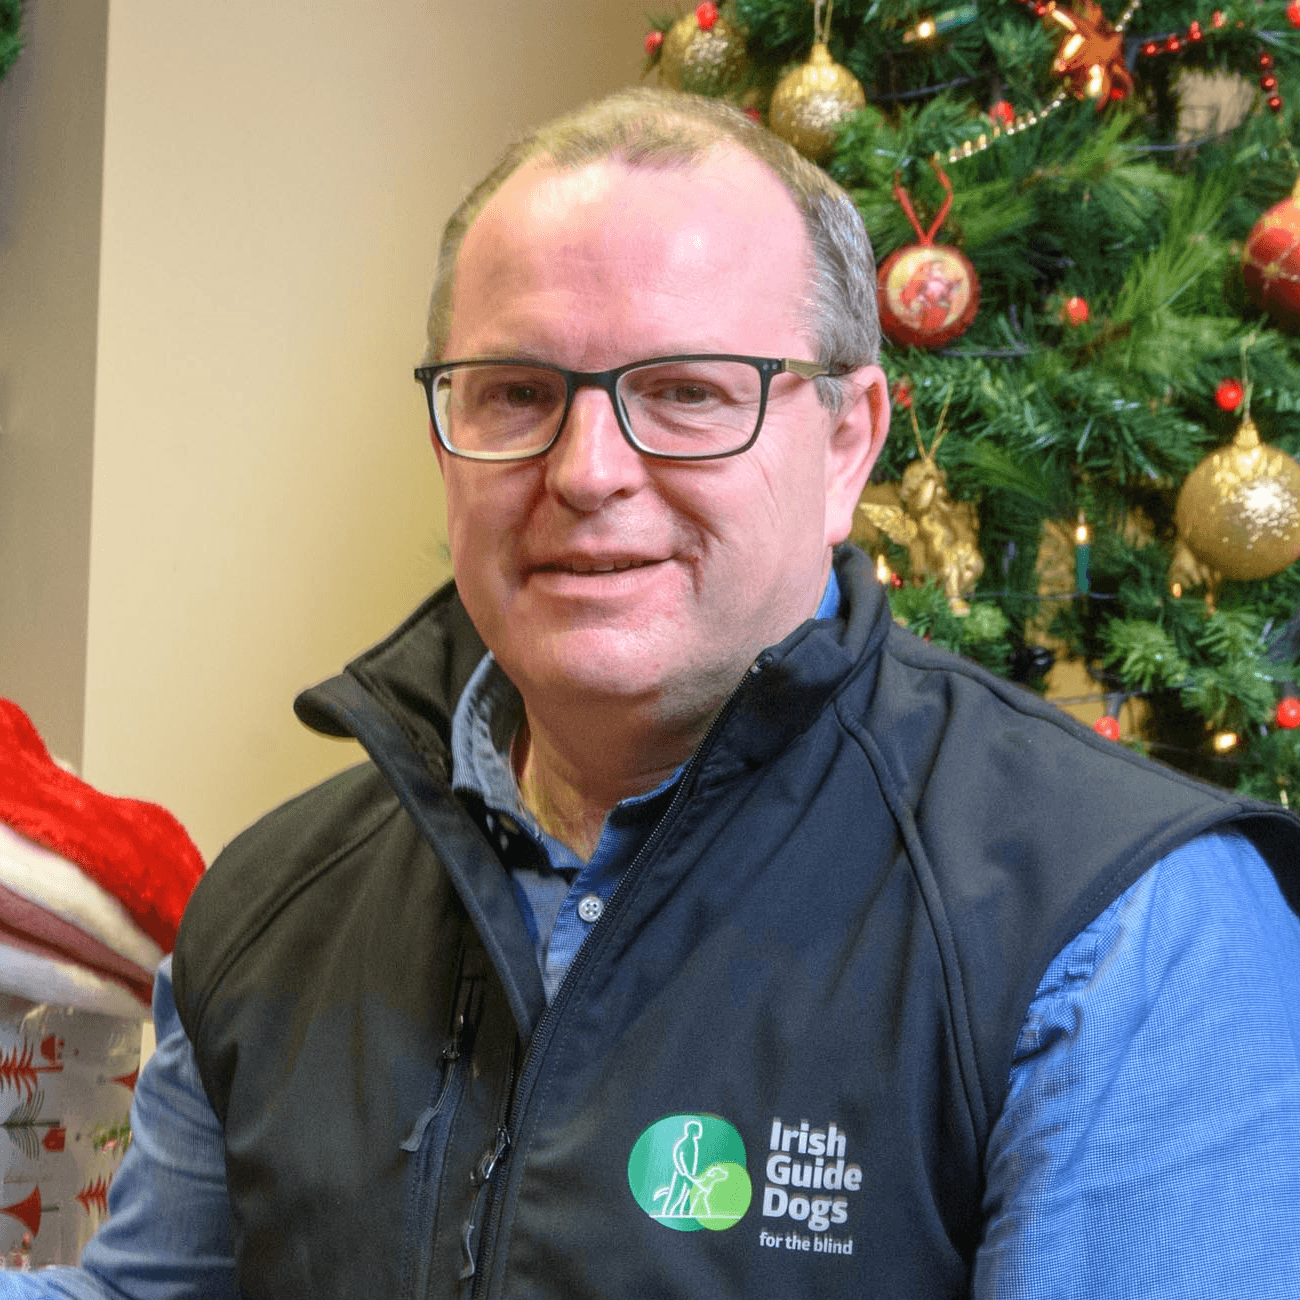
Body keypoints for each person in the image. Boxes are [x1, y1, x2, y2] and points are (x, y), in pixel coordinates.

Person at [5, 87, 1300, 1300]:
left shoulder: (1125, 930)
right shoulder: (271, 903)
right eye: (516, 394)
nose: (587, 471)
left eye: (685, 393)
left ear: (850, 441)